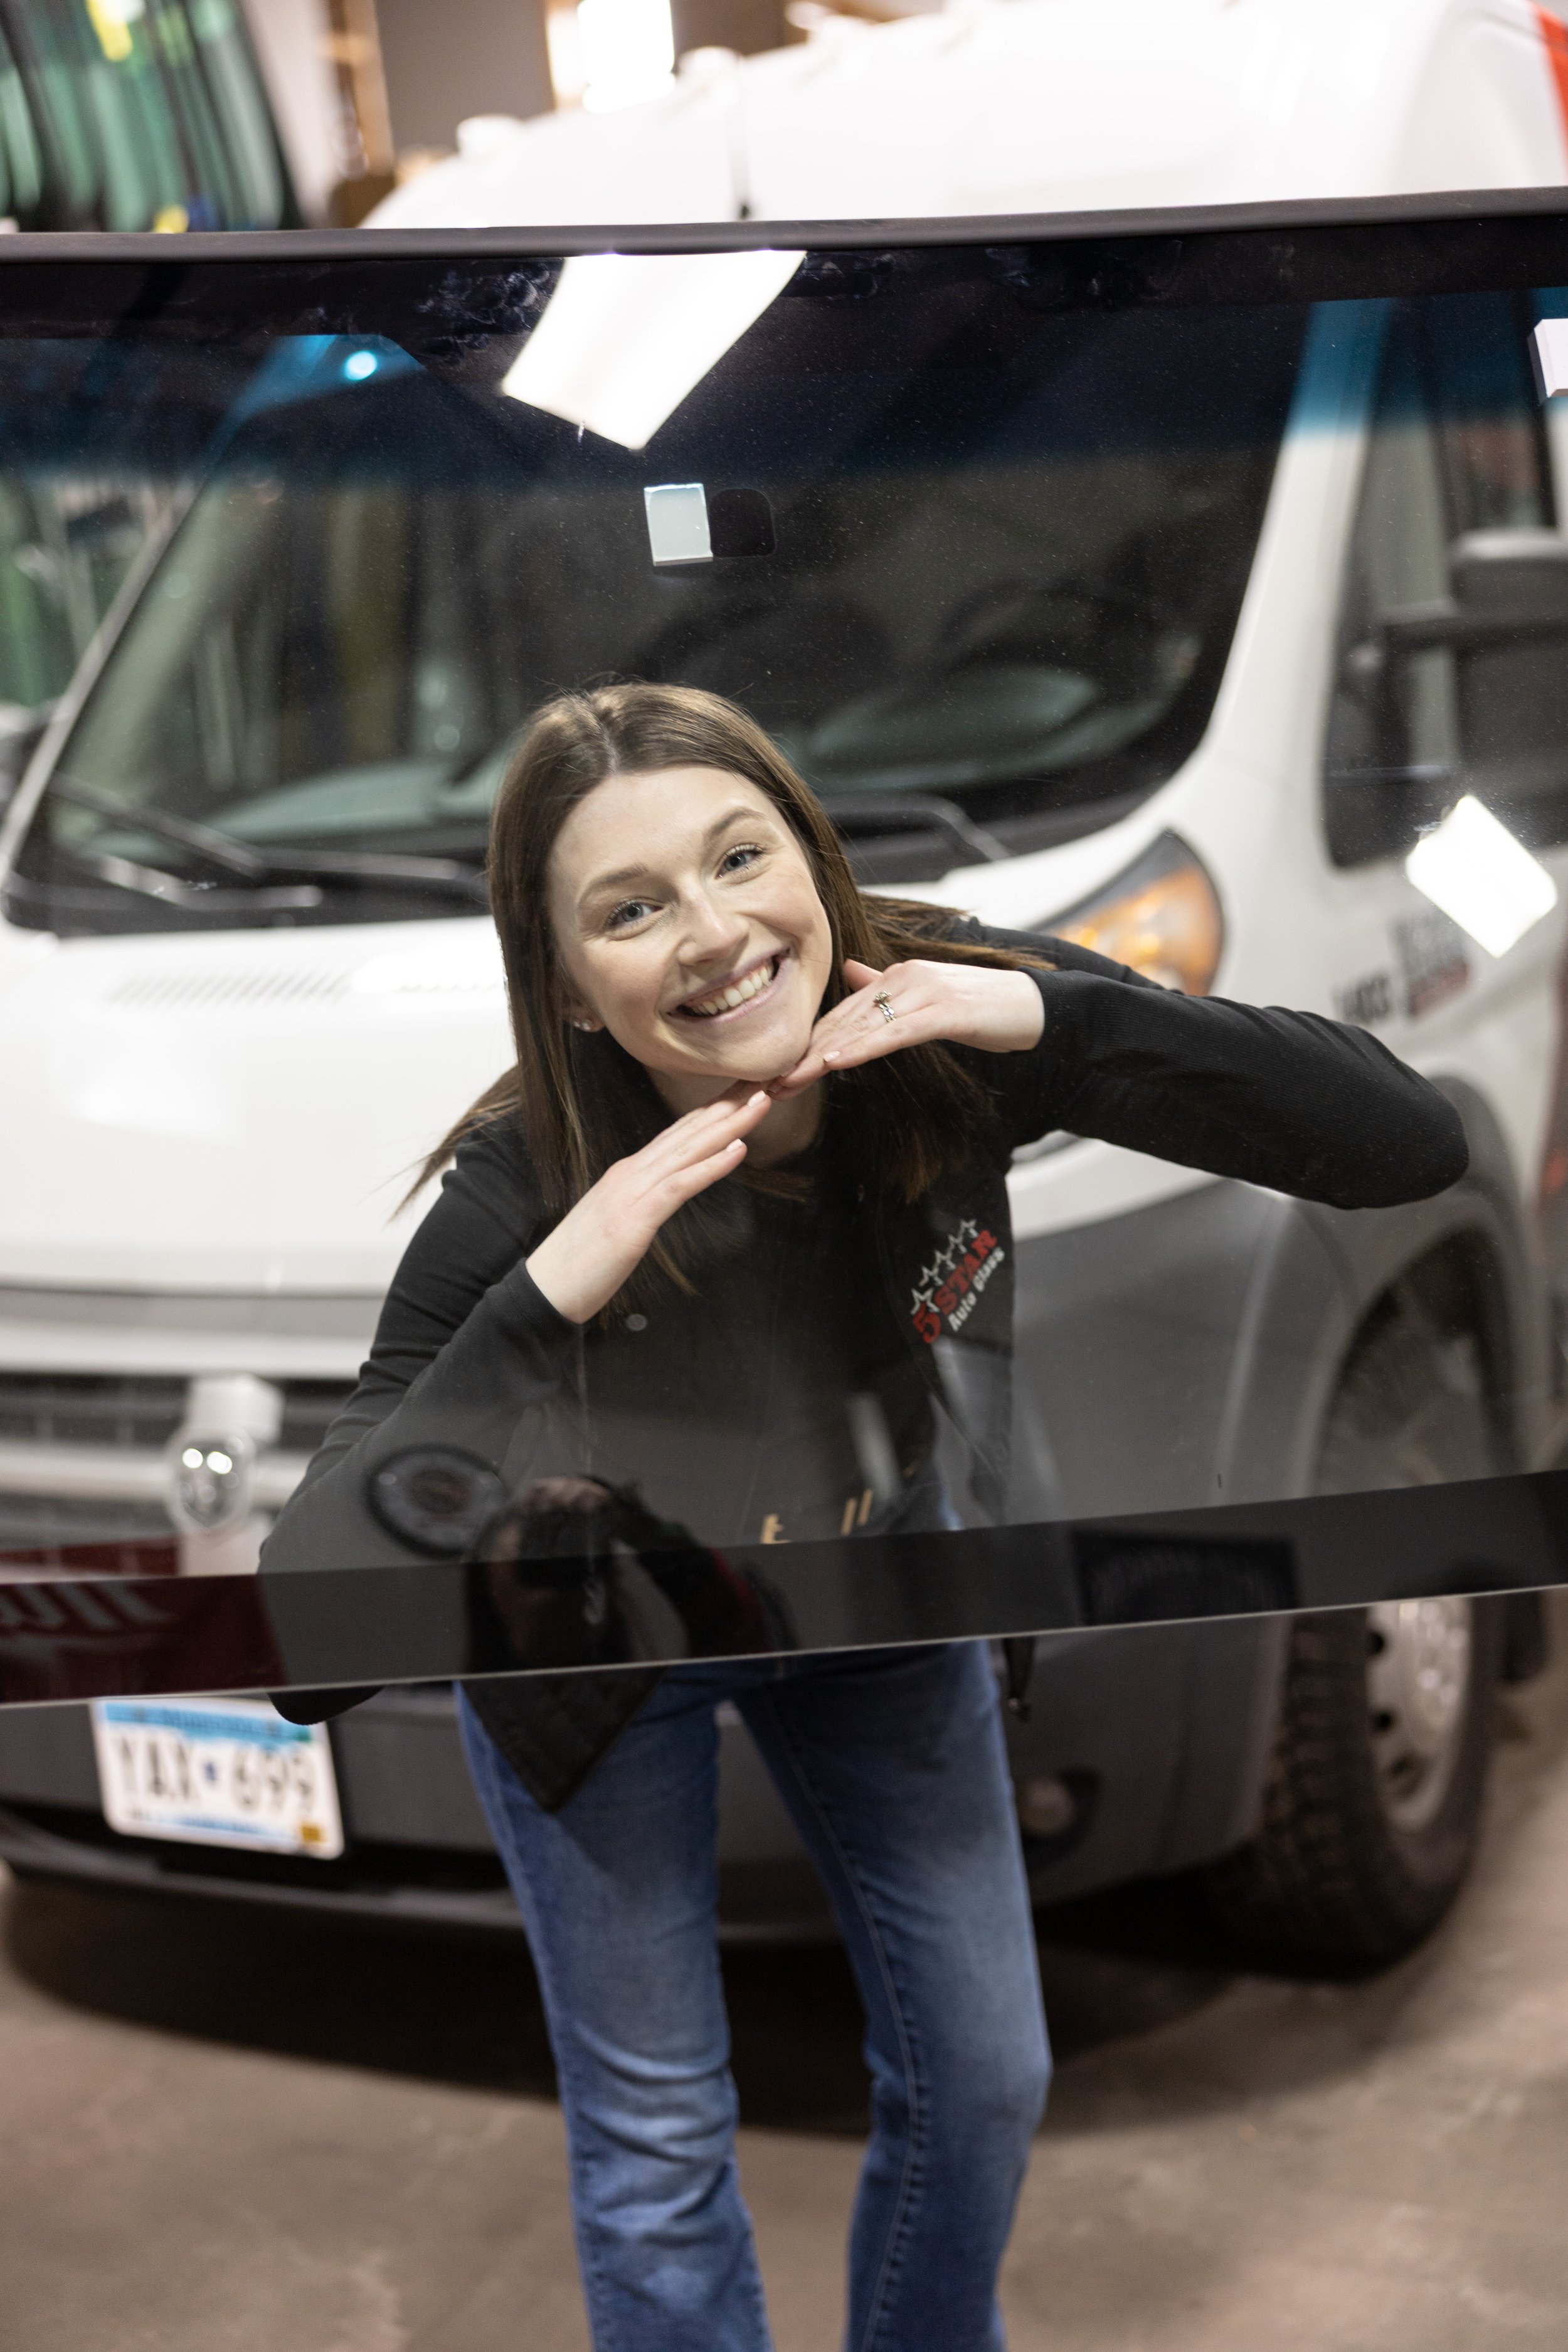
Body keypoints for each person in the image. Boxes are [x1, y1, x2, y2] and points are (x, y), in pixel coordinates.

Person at [263, 681, 1467, 2352]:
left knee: (982, 2084)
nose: (710, 933)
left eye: (738, 856)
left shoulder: (938, 1021)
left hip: (876, 1595)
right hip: (599, 1644)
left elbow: (1403, 1143)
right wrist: (542, 1303)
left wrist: (1054, 1021)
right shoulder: (525, 1188)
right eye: (628, 908)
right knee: (657, 2156)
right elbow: (308, 1642)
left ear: (812, 864)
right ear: (569, 986)